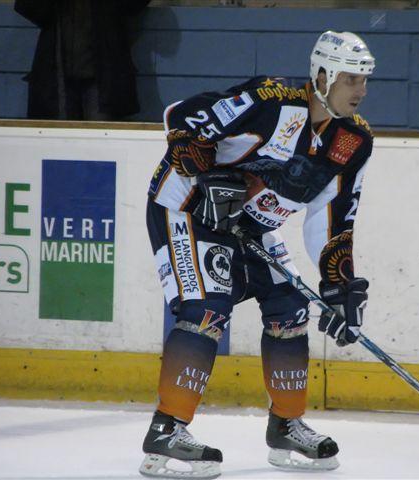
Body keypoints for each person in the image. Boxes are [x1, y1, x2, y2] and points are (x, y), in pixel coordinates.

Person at [141, 30, 376, 479]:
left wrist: (338, 284)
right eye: (351, 79)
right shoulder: (272, 101)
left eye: (365, 80)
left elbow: (331, 220)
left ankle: (286, 425)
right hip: (187, 209)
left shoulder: (353, 142)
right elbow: (181, 116)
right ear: (322, 77)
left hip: (251, 226)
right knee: (206, 310)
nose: (361, 91)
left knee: (291, 308)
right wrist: (198, 161)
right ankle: (166, 430)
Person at [14, 0, 150, 120]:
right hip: (59, 75)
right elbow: (29, 8)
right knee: (61, 136)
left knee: (100, 135)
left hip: (102, 75)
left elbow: (133, 6)